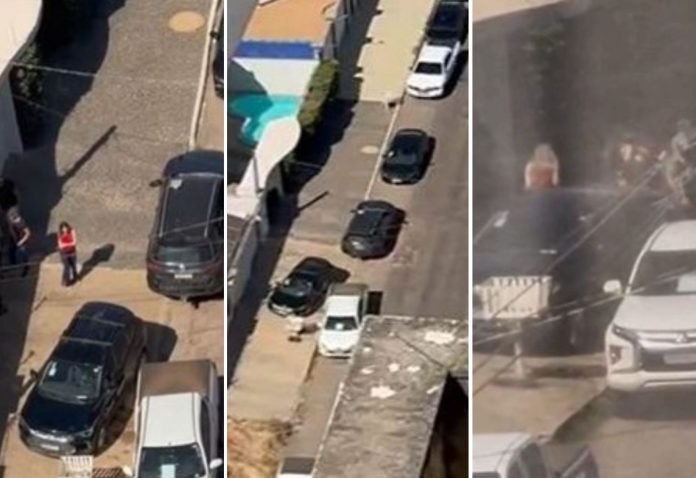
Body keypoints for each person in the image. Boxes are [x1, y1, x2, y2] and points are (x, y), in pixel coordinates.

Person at [6, 206, 30, 276]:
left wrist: (21, 242)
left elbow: (28, 233)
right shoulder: (11, 222)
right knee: (11, 251)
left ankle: (26, 268)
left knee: (23, 254)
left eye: (10, 217)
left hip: (20, 241)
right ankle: (12, 265)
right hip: (13, 240)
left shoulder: (21, 223)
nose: (9, 219)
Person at [57, 222, 78, 286]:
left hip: (72, 252)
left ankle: (75, 278)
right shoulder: (60, 234)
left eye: (65, 228)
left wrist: (65, 245)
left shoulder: (72, 231)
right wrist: (70, 244)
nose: (65, 230)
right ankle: (65, 281)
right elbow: (60, 245)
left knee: (73, 266)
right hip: (64, 253)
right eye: (63, 228)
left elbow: (74, 242)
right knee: (66, 266)